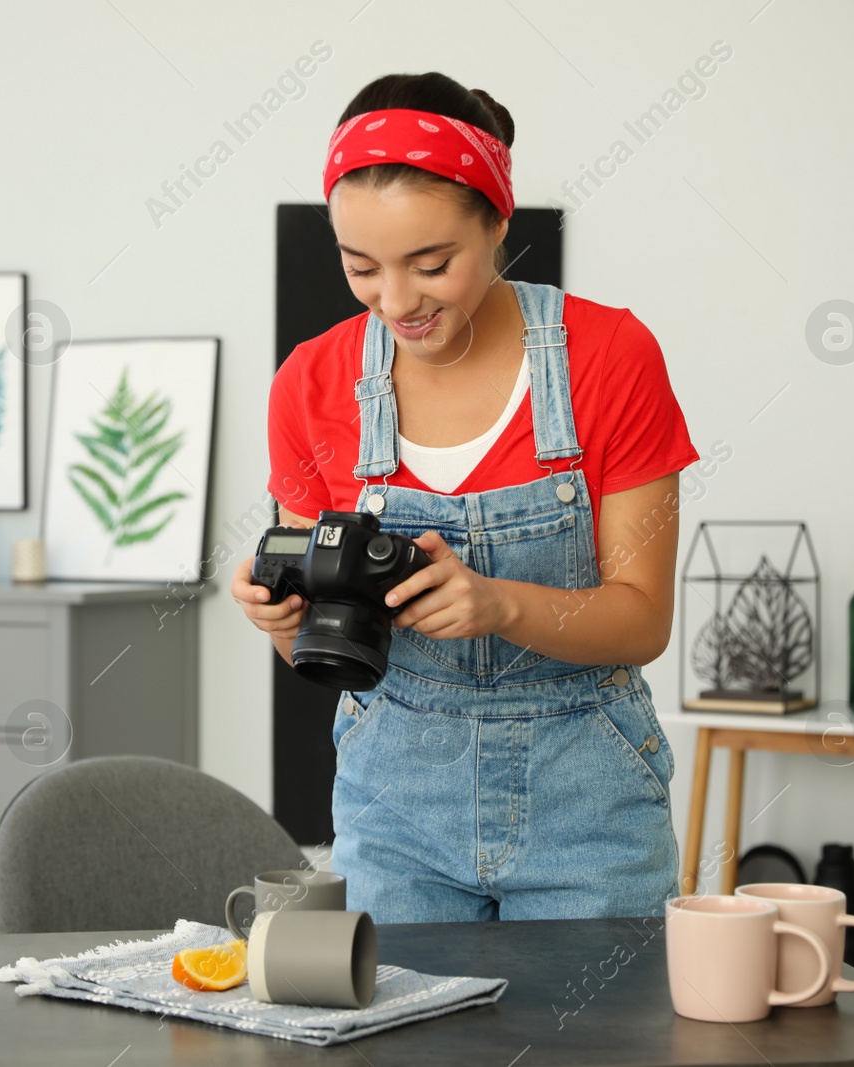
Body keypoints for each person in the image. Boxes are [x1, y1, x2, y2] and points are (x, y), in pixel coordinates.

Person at [231, 72, 702, 923]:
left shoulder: (610, 356)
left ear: (497, 224)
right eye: (360, 266)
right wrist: (283, 622)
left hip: (588, 808)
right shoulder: (310, 382)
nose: (398, 301)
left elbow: (642, 622)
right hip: (394, 816)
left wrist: (497, 604)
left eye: (432, 263)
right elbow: (325, 644)